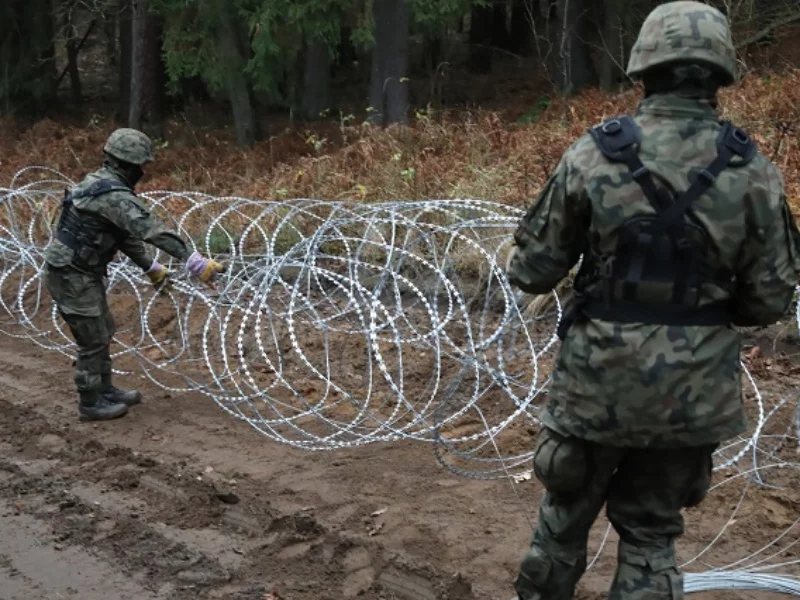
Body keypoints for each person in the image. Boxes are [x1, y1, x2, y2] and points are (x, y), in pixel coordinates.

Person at [505, 2, 800, 599]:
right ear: (720, 71)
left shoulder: (595, 153)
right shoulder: (753, 170)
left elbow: (532, 271)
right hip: (690, 395)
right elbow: (770, 298)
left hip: (596, 388)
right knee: (651, 539)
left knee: (561, 525)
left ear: (645, 66)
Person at [44, 128, 225, 423]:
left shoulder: (99, 184)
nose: (142, 171)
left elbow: (121, 234)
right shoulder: (112, 195)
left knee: (103, 329)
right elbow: (149, 228)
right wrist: (193, 260)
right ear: (126, 164)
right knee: (93, 337)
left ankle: (105, 389)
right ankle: (91, 402)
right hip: (71, 274)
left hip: (80, 271)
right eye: (140, 165)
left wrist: (150, 267)